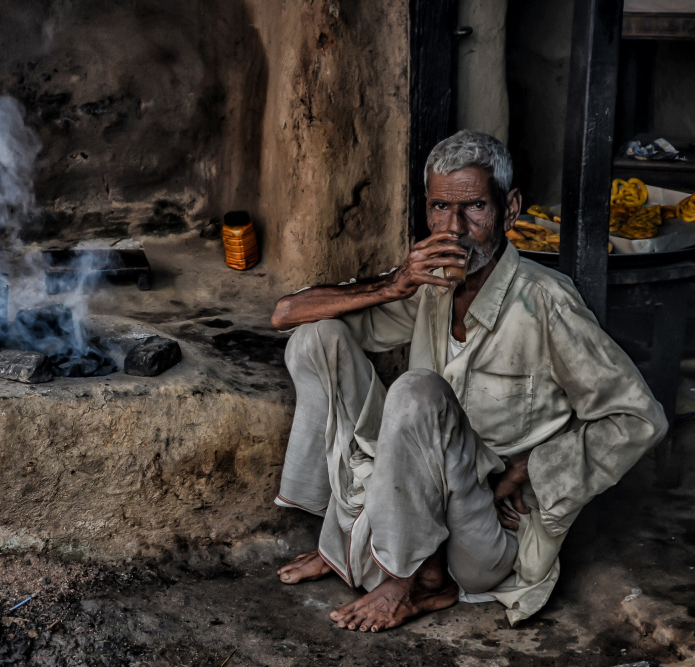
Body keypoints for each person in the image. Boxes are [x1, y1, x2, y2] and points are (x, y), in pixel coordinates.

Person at [270, 129, 668, 632]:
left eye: (474, 207)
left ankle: (413, 580)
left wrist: (530, 468)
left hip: (485, 536)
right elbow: (288, 315)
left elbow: (638, 419)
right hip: (423, 504)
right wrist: (396, 283)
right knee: (316, 340)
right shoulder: (432, 286)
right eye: (440, 208)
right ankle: (346, 538)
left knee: (415, 391)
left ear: (510, 209)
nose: (454, 228)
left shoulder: (547, 304)